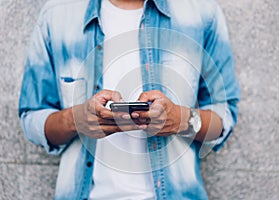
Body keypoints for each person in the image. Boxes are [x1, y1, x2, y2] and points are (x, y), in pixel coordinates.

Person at [19, 0, 240, 199]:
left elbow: (224, 116)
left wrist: (181, 120)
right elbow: (32, 118)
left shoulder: (202, 13)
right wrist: (75, 119)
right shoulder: (57, 15)